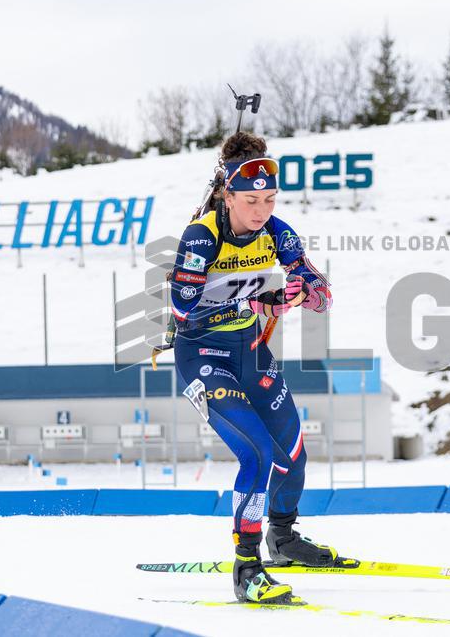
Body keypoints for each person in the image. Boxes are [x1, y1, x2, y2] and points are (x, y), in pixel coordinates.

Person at [169, 131, 340, 605]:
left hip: (251, 351)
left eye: (269, 199)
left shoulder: (277, 231)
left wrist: (304, 291)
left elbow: (322, 295)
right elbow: (184, 310)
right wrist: (260, 298)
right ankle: (247, 567)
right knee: (258, 454)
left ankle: (282, 538)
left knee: (293, 452)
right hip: (203, 357)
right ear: (228, 196)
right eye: (250, 201)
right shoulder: (202, 236)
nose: (261, 210)